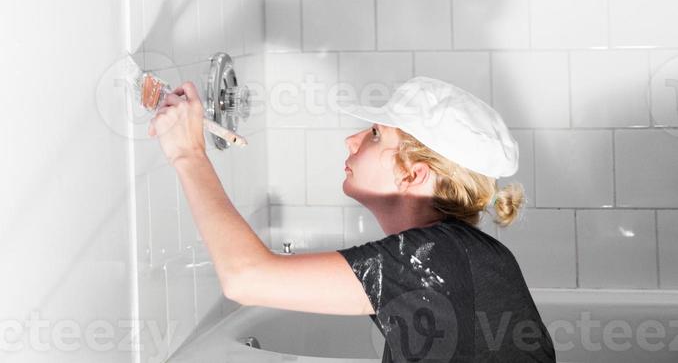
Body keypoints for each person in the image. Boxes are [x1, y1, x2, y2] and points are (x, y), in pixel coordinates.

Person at [149, 75, 556, 362]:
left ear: (414, 174)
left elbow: (245, 278)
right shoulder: (456, 253)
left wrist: (188, 154)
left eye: (375, 134)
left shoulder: (435, 256)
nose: (352, 139)